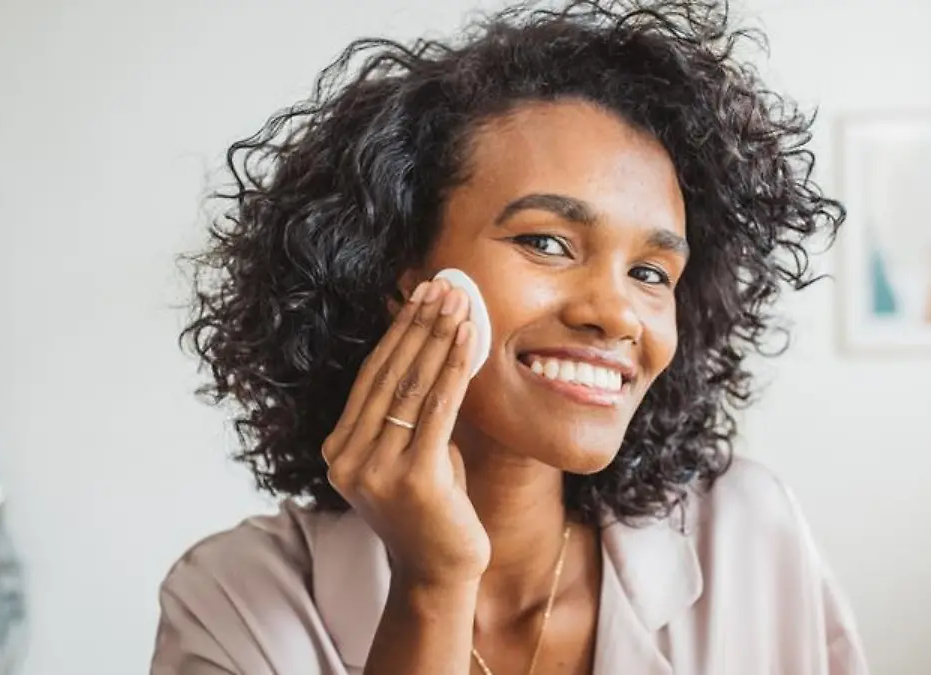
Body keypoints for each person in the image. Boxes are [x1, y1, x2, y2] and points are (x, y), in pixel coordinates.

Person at [152, 1, 869, 673]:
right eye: (548, 243)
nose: (616, 313)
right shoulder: (234, 601)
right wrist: (431, 584)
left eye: (651, 271)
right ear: (397, 271)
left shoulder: (749, 532)